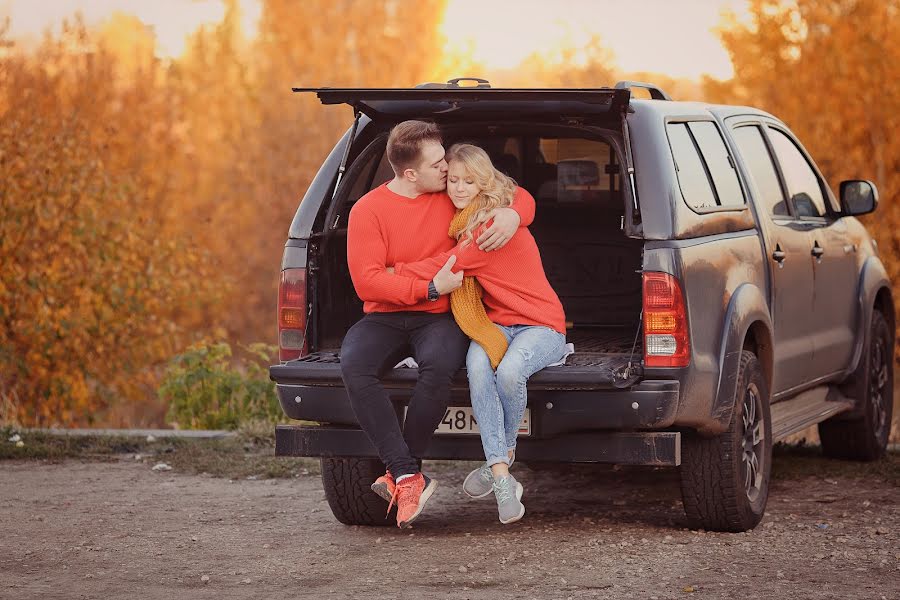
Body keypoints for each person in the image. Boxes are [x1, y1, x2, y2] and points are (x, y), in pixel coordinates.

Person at [342, 121, 535, 528]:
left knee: (439, 367)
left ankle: (401, 474)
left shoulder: (452, 196)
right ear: (410, 173)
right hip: (385, 315)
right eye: (438, 163)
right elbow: (366, 281)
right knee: (355, 366)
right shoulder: (368, 210)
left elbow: (521, 198)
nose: (448, 168)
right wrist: (427, 285)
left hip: (438, 318)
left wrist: (512, 215)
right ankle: (410, 473)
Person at [391, 143, 567, 524]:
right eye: (453, 179)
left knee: (508, 372)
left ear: (484, 182)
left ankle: (502, 463)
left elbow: (444, 264)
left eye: (468, 181)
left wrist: (390, 274)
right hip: (497, 325)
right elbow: (519, 199)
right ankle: (501, 471)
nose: (457, 188)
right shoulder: (466, 221)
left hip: (541, 325)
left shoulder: (488, 229)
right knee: (476, 366)